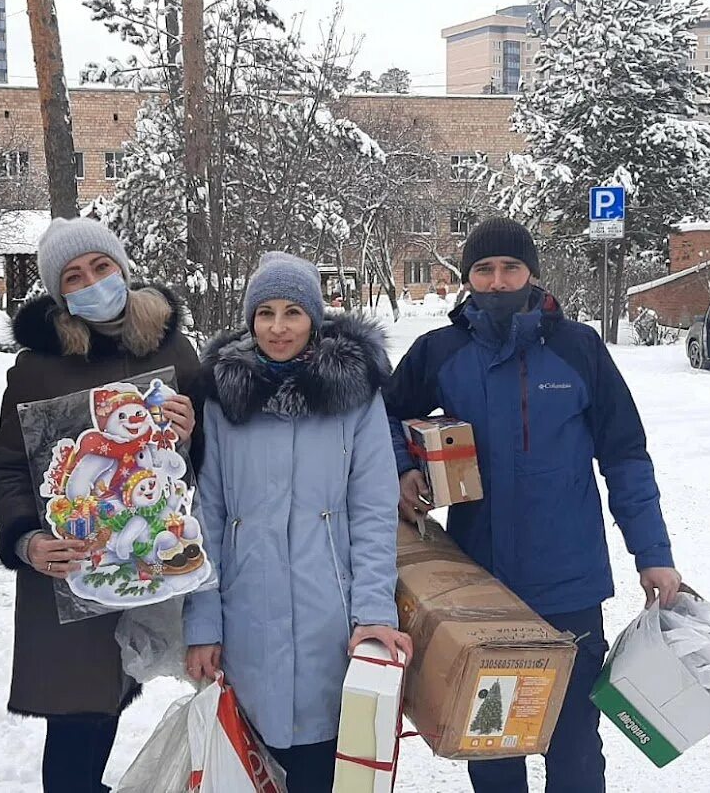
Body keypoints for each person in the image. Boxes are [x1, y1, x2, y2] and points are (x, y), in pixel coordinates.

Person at [383, 217, 683, 793]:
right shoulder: (440, 351)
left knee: (573, 738)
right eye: (484, 270)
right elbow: (387, 415)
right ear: (468, 279)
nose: (497, 282)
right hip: (480, 584)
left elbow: (624, 457)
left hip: (568, 582)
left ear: (532, 274)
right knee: (492, 739)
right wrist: (403, 466)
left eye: (510, 268)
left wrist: (653, 552)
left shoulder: (579, 351)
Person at [0, 217, 201, 793]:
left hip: (157, 558)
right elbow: (7, 469)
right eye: (74, 277)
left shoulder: (175, 350)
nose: (91, 283)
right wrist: (26, 539)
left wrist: (191, 432)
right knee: (80, 720)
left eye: (101, 267)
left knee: (145, 699)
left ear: (123, 269)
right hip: (74, 568)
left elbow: (215, 461)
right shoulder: (36, 370)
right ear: (60, 294)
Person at [184, 252, 411, 793]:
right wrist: (202, 625)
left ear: (315, 317)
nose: (278, 327)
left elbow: (375, 511)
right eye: (265, 313)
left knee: (322, 767)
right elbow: (206, 517)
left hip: (327, 618)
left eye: (292, 312)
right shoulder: (224, 398)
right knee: (246, 764)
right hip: (246, 616)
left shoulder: (354, 397)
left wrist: (374, 612)